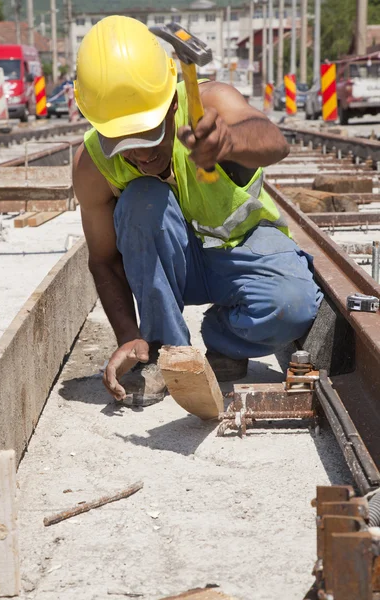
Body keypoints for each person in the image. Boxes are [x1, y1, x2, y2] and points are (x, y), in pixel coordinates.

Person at [73, 15, 323, 405]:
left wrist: (230, 141)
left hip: (244, 250)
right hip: (176, 269)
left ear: (171, 103)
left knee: (292, 305)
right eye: (124, 140)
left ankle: (224, 341)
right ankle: (165, 354)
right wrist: (128, 335)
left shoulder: (209, 102)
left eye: (151, 132)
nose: (141, 152)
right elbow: (103, 261)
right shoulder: (91, 165)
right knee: (141, 199)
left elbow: (274, 142)